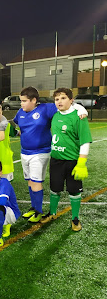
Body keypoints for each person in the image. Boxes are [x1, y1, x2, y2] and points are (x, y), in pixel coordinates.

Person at [13, 86, 87, 223]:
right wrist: (13, 131)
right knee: (30, 181)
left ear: (34, 100)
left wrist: (81, 108)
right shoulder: (20, 113)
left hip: (41, 152)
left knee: (36, 181)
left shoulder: (46, 109)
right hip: (24, 152)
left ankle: (39, 212)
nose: (21, 104)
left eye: (24, 101)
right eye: (21, 101)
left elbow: (65, 105)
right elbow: (19, 128)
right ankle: (34, 207)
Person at [40, 88, 92, 231]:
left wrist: (81, 163)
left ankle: (75, 218)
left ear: (71, 100)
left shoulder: (79, 117)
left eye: (63, 98)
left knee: (74, 191)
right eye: (57, 99)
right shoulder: (55, 114)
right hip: (56, 160)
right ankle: (52, 213)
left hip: (72, 161)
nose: (59, 101)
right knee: (54, 189)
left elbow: (85, 141)